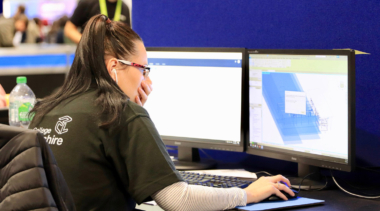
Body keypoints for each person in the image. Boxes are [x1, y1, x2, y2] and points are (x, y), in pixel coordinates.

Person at [29, 14, 295, 211]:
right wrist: (247, 194)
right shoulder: (122, 114)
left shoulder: (45, 109)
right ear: (114, 67)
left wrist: (131, 115)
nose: (147, 80)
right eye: (142, 68)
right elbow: (178, 199)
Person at [64, 0, 131, 44]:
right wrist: (88, 44)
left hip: (113, 58)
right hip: (89, 57)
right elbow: (69, 29)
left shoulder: (124, 7)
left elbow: (126, 35)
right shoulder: (87, 2)